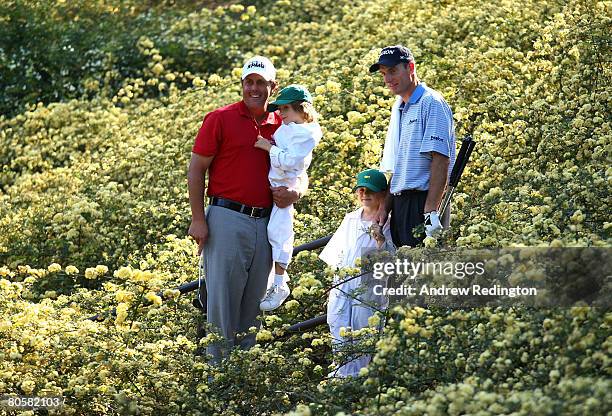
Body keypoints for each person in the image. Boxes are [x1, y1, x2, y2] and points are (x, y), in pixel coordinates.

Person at [187, 56, 303, 363]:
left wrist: (296, 192)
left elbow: (300, 169)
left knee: (252, 309)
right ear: (242, 85)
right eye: (249, 82)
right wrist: (198, 219)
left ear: (272, 87)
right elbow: (196, 169)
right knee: (222, 308)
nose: (254, 88)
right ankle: (217, 382)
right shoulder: (220, 118)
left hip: (266, 223)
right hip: (226, 218)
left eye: (261, 83)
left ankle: (242, 386)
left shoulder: (283, 123)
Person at [369, 45, 456, 247]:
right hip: (402, 203)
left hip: (423, 202)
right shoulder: (400, 107)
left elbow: (440, 160)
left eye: (393, 71)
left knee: (424, 273)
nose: (387, 79)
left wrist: (430, 212)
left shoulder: (430, 102)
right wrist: (385, 207)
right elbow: (401, 167)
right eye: (383, 74)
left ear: (410, 67)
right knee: (406, 272)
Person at [319, 169, 395, 378]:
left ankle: (357, 382)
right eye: (360, 189)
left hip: (370, 286)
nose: (364, 194)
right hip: (343, 282)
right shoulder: (351, 219)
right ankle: (340, 378)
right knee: (338, 328)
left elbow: (390, 262)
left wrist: (381, 241)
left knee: (364, 335)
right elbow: (336, 254)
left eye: (370, 190)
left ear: (382, 193)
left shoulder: (388, 222)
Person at [254, 85, 322, 311]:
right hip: (274, 183)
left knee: (280, 233)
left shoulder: (307, 133)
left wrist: (268, 148)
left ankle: (280, 283)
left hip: (285, 184)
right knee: (271, 234)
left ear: (301, 109)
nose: (281, 113)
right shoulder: (287, 128)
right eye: (280, 109)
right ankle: (271, 281)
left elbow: (293, 162)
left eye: (285, 109)